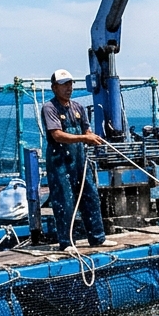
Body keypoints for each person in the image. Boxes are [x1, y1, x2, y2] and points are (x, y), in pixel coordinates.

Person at [43, 69, 111, 249]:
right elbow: (57, 135)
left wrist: (91, 137)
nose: (68, 88)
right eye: (64, 84)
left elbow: (86, 130)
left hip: (80, 160)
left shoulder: (78, 107)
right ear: (54, 88)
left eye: (70, 83)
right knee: (65, 200)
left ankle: (98, 238)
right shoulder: (49, 108)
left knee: (91, 196)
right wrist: (84, 138)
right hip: (60, 162)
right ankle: (66, 242)